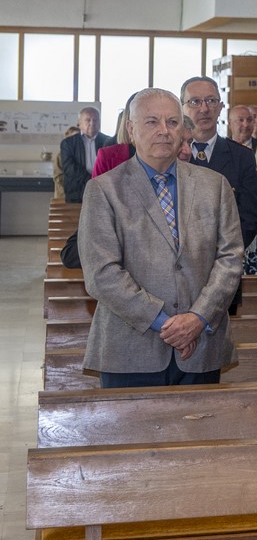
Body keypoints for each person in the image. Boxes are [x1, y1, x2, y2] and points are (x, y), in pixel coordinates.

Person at [77, 88, 243, 387]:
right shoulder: (104, 190)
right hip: (130, 350)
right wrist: (165, 324)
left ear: (184, 130)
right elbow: (101, 273)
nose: (164, 131)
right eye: (152, 121)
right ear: (131, 129)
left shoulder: (215, 185)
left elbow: (230, 258)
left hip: (202, 346)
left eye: (172, 122)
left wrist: (198, 318)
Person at [179, 77, 257, 250]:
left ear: (221, 106)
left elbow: (248, 220)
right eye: (195, 102)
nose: (204, 109)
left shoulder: (242, 156)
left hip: (225, 258)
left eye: (211, 101)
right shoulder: (172, 153)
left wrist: (223, 256)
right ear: (182, 107)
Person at [60, 106, 113, 203]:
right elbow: (69, 168)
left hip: (104, 192)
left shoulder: (109, 142)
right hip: (77, 193)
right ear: (79, 123)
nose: (92, 123)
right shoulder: (68, 143)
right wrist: (92, 179)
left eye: (95, 120)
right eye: (88, 120)